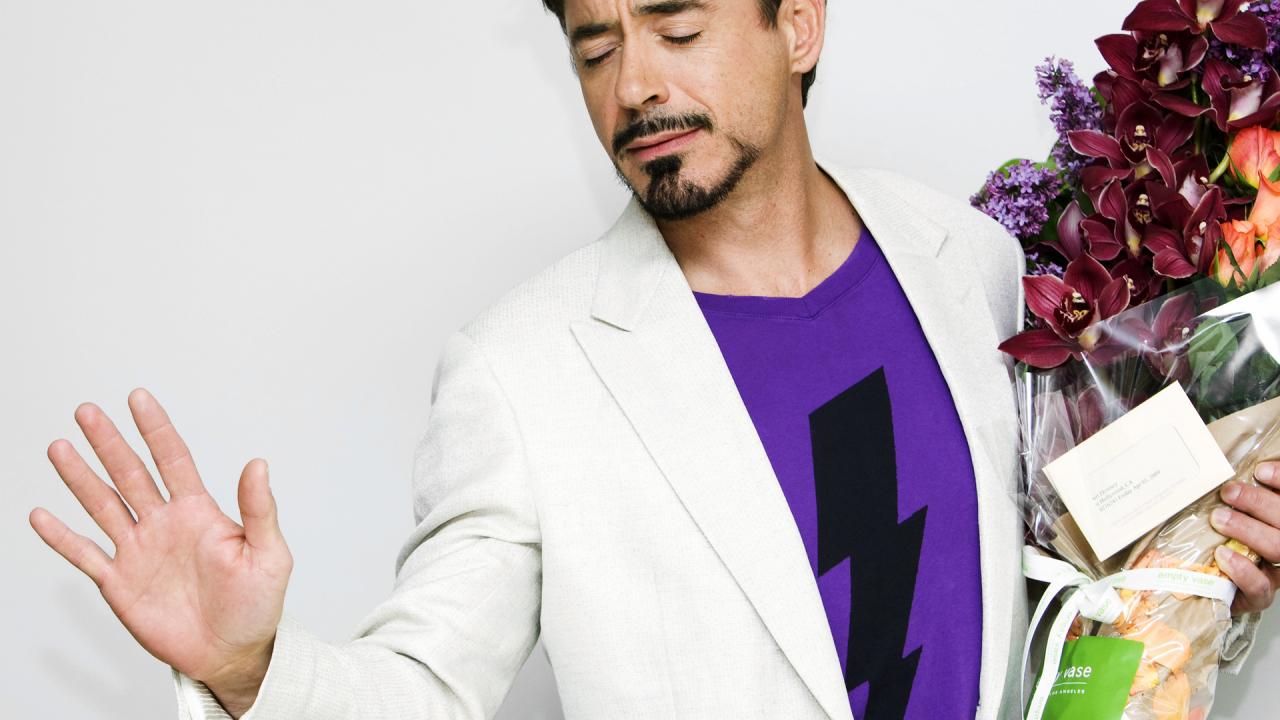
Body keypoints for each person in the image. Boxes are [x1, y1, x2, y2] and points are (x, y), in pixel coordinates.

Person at [28, 1, 1280, 718]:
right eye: (593, 48)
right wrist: (247, 669)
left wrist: (1209, 580)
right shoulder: (522, 371)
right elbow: (426, 689)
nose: (632, 84)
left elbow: (1057, 597)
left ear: (797, 23)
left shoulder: (969, 259)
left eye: (676, 26)